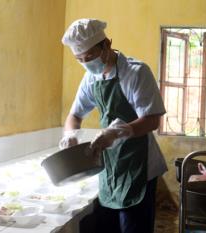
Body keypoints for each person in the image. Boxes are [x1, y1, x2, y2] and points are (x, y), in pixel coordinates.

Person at [60, 18, 168, 233]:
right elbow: (74, 114)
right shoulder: (91, 78)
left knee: (133, 227)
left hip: (139, 165)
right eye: (79, 59)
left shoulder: (136, 72)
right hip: (110, 165)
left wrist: (119, 131)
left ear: (107, 44)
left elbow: (153, 119)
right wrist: (71, 134)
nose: (86, 63)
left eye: (89, 57)